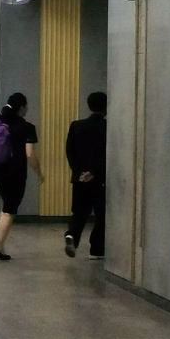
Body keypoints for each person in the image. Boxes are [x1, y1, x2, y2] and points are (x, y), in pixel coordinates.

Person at [0, 92, 44, 261]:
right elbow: (30, 154)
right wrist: (39, 173)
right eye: (26, 106)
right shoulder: (27, 127)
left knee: (6, 207)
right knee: (9, 210)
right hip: (15, 173)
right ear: (22, 108)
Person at [64, 91, 107, 259]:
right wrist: (94, 173)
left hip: (80, 178)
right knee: (101, 214)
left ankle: (72, 236)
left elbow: (70, 151)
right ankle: (96, 249)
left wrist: (79, 172)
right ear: (105, 107)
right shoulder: (106, 127)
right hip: (99, 179)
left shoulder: (76, 125)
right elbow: (105, 154)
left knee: (80, 211)